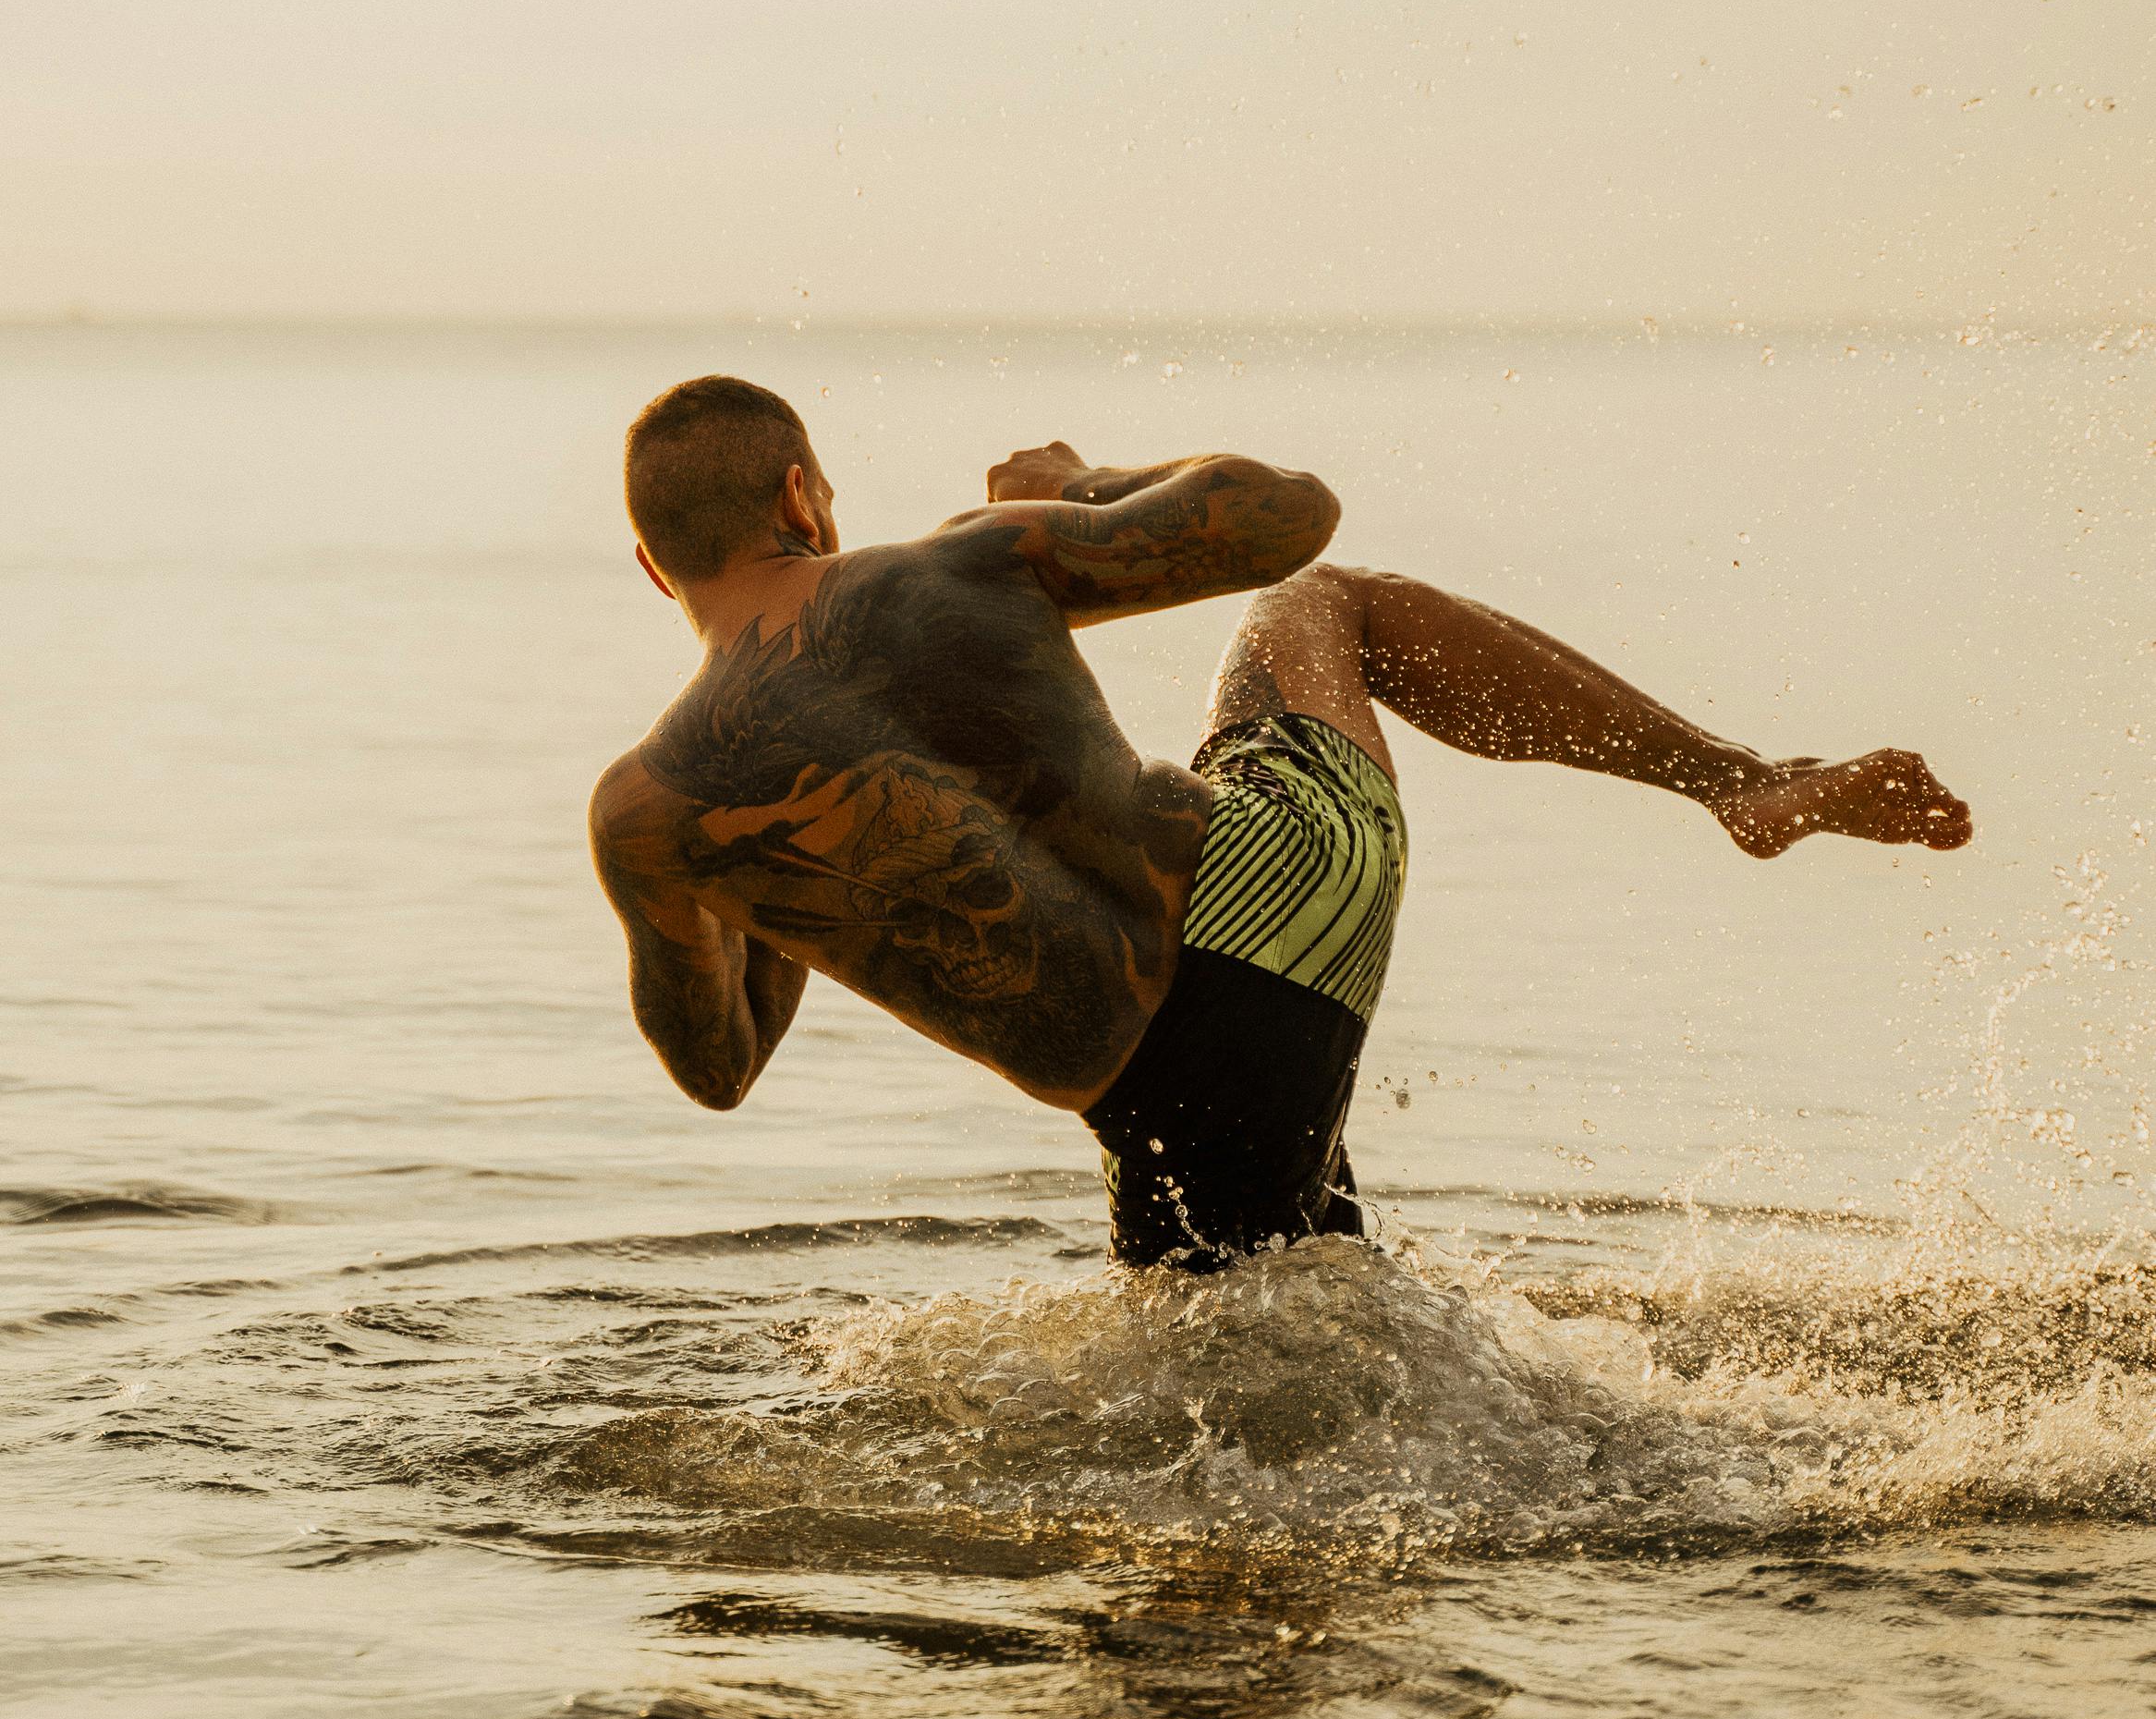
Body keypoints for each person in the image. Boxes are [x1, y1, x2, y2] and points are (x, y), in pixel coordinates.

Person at [590, 374, 1971, 1268]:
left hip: (1152, 1099)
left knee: (1214, 1529)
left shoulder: (648, 815)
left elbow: (718, 1071)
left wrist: (751, 874)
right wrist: (1059, 498)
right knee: (1326, 607)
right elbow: (1285, 518)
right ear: (799, 494)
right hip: (1272, 895)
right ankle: (1735, 780)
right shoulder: (959, 560)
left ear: (654, 569)